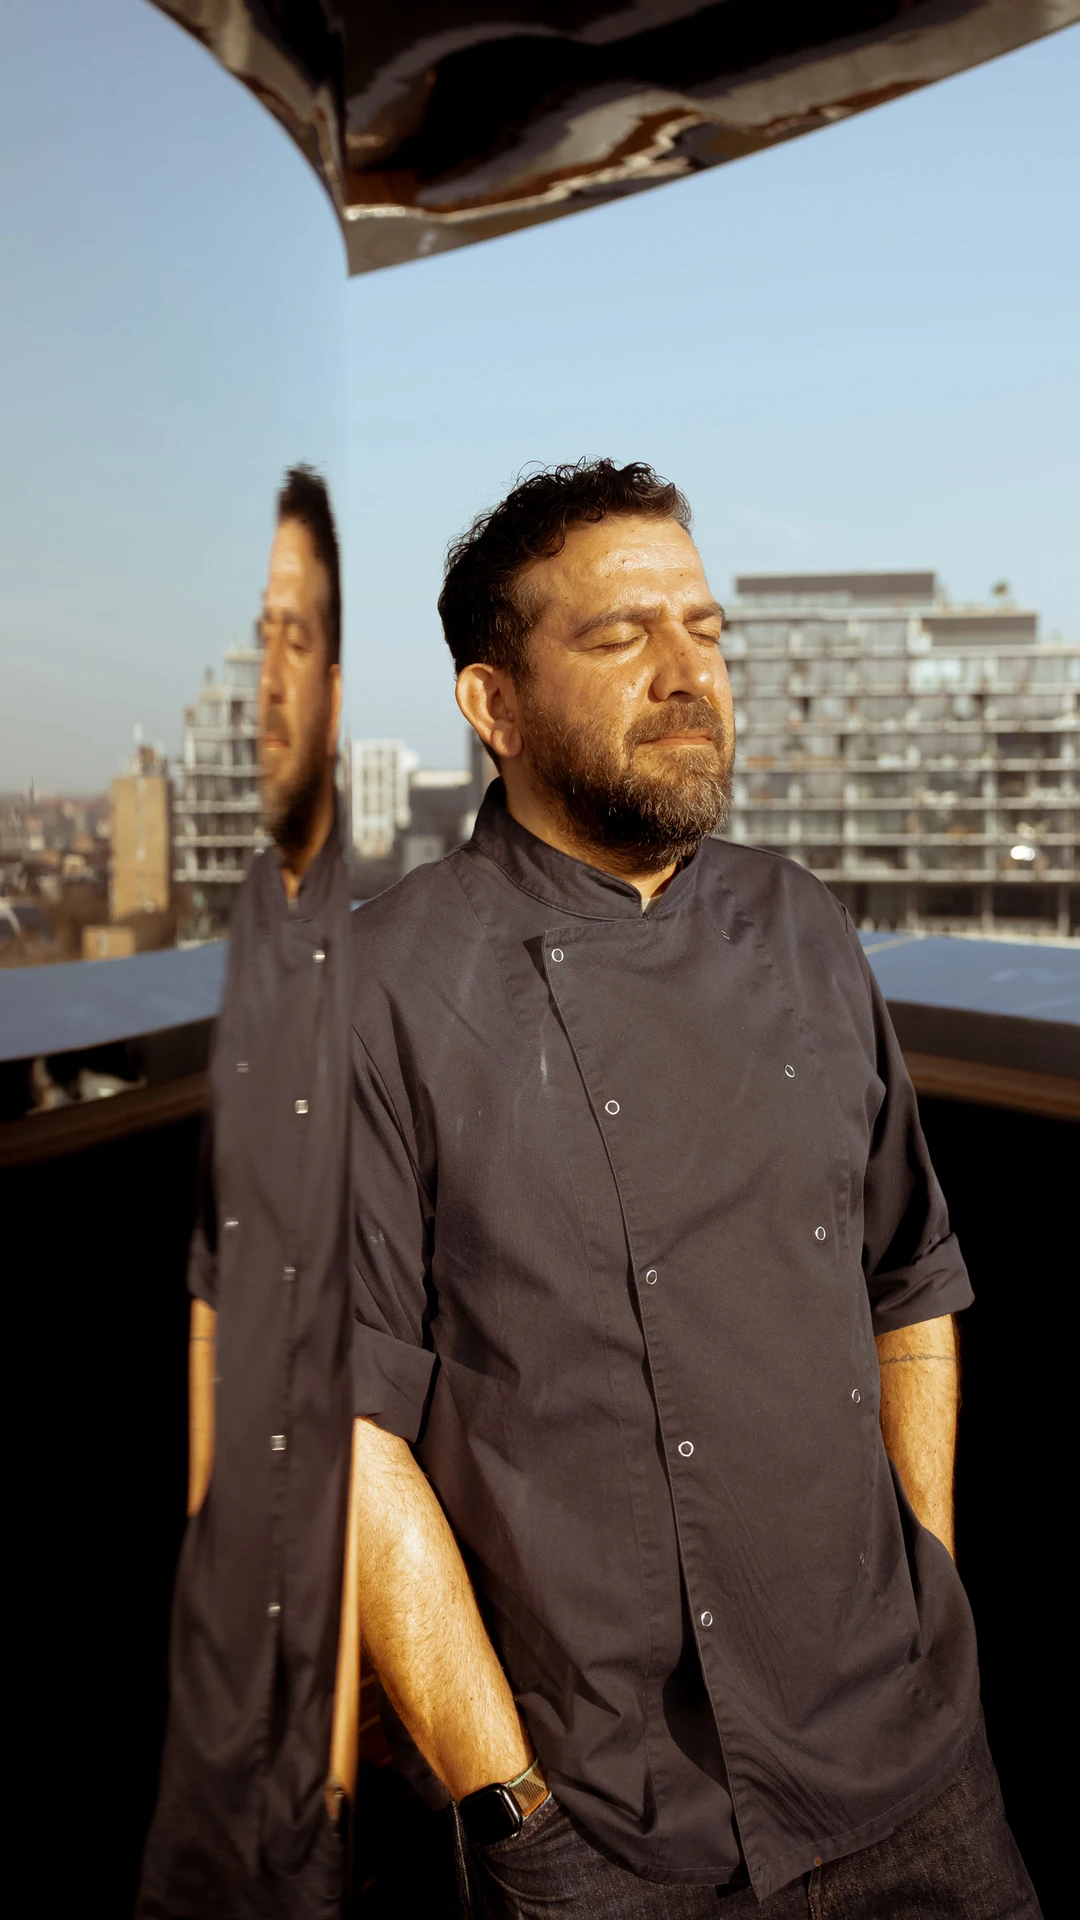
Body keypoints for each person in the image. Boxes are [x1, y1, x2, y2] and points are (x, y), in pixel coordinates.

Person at [344, 460, 1039, 1918]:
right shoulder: (381, 990)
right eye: (619, 637)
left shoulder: (801, 925)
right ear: (494, 705)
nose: (686, 673)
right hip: (611, 1830)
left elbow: (909, 1283)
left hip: (914, 1767)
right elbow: (348, 1438)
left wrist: (925, 1585)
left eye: (704, 631)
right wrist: (509, 1800)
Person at [138, 467, 356, 1920]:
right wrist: (207, 1518)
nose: (266, 678)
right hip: (217, 1665)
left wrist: (346, 1743)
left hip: (340, 1703)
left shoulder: (406, 942)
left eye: (300, 636)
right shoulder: (237, 929)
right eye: (255, 636)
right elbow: (216, 1269)